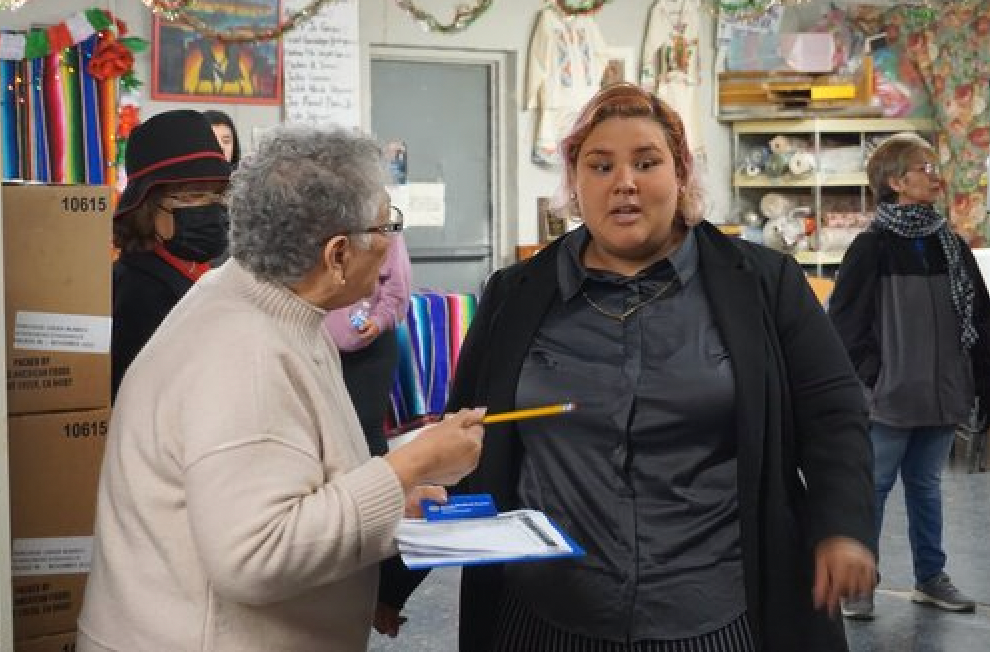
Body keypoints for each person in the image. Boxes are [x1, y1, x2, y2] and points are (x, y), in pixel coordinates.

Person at [378, 83, 876, 651]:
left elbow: (833, 415)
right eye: (600, 166)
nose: (624, 183)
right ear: (575, 181)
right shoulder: (516, 294)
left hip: (714, 613)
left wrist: (842, 526)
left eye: (646, 162)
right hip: (544, 614)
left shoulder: (764, 284)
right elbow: (466, 442)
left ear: (681, 172)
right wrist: (394, 580)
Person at [77, 124, 487, 652]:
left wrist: (394, 501)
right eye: (387, 224)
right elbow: (255, 555)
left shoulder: (274, 308)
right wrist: (410, 465)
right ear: (337, 254)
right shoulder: (242, 353)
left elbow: (294, 480)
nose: (390, 244)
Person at [829, 133, 988, 619]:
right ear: (897, 182)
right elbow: (844, 324)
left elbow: (980, 318)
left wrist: (977, 381)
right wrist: (876, 377)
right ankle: (860, 585)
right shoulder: (870, 247)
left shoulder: (950, 244)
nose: (936, 177)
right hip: (890, 398)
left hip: (942, 395)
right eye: (925, 168)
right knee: (873, 489)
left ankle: (930, 578)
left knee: (926, 487)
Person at [110, 109, 231, 402]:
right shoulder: (138, 293)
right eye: (192, 195)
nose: (211, 207)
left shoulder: (206, 271)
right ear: (147, 208)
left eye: (218, 194)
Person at [324, 232, 413, 455]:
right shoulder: (318, 225)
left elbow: (397, 289)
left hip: (370, 345)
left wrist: (380, 319)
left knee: (367, 426)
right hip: (319, 345)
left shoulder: (387, 231)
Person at [203, 109, 242, 265]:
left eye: (226, 141)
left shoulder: (246, 186)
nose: (221, 147)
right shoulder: (181, 187)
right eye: (213, 140)